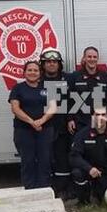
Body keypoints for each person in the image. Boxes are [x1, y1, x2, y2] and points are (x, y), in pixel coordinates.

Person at [8, 61, 56, 189]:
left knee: (45, 161)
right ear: (24, 73)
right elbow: (15, 108)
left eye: (35, 70)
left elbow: (53, 108)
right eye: (29, 70)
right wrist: (32, 122)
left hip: (45, 130)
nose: (32, 73)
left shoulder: (47, 87)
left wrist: (41, 121)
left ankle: (44, 190)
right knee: (27, 161)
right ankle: (30, 190)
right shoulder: (18, 88)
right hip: (23, 130)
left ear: (40, 73)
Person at [69, 107, 107, 205]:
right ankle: (84, 198)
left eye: (103, 115)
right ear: (92, 117)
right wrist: (89, 168)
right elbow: (74, 156)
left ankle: (97, 194)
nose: (100, 117)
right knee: (77, 173)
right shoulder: (82, 134)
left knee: (105, 197)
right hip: (89, 171)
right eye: (97, 115)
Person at [39, 49, 73, 200]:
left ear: (59, 64)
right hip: (42, 126)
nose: (52, 64)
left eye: (55, 61)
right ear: (43, 64)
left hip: (62, 127)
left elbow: (74, 101)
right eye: (48, 62)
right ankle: (46, 189)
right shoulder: (37, 81)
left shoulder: (68, 80)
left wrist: (71, 119)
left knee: (62, 159)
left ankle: (62, 189)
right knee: (45, 158)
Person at [68, 46, 107, 134]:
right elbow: (69, 99)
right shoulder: (75, 76)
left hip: (100, 122)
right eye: (89, 57)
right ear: (84, 58)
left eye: (94, 57)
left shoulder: (105, 76)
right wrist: (70, 119)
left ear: (98, 59)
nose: (92, 59)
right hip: (80, 122)